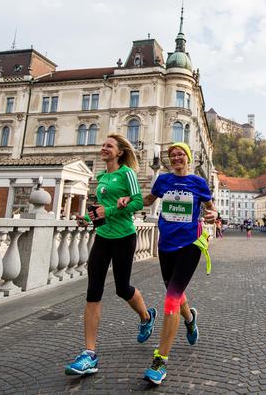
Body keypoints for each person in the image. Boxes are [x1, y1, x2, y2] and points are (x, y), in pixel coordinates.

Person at [64, 134, 156, 376]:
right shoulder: (102, 177)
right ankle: (89, 354)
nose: (103, 148)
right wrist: (87, 217)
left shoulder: (127, 173)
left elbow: (138, 202)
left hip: (124, 237)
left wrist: (115, 207)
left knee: (122, 288)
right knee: (93, 292)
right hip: (103, 236)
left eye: (109, 146)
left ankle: (146, 316)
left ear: (119, 152)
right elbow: (101, 211)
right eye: (103, 145)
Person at [134, 142, 217, 385]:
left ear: (188, 158)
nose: (177, 157)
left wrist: (213, 214)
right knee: (176, 294)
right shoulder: (163, 181)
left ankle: (160, 362)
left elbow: (212, 209)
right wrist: (128, 200)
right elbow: (148, 201)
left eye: (181, 154)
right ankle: (190, 318)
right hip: (165, 246)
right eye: (173, 155)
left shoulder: (198, 183)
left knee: (170, 300)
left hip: (189, 246)